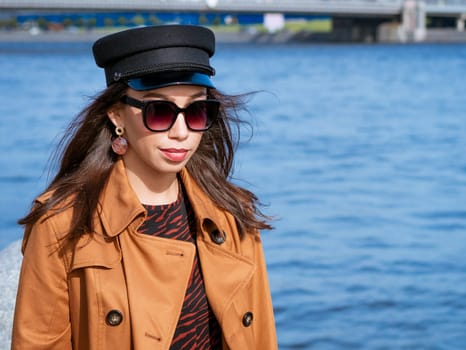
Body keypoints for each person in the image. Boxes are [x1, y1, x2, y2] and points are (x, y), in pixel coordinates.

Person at [11, 25, 277, 350]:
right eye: (160, 111)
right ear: (116, 115)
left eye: (196, 111)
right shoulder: (63, 225)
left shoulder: (232, 214)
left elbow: (261, 337)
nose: (181, 132)